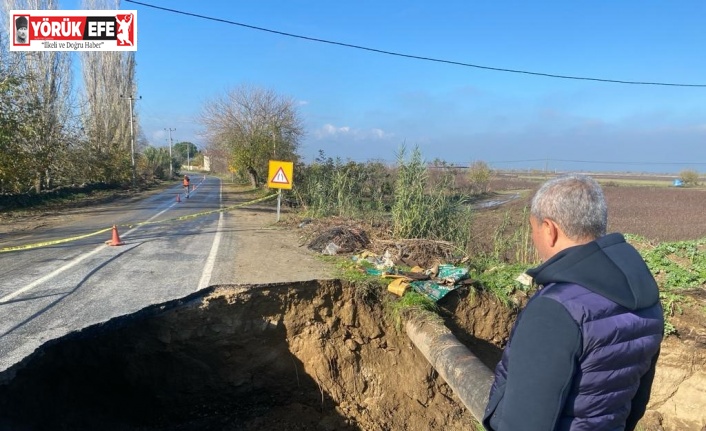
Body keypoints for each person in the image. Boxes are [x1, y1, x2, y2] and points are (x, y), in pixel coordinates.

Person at [483, 174, 663, 431]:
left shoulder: (555, 309)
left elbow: (524, 422)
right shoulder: (645, 296)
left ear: (549, 229)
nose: (534, 240)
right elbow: (636, 401)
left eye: (533, 229)